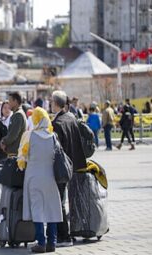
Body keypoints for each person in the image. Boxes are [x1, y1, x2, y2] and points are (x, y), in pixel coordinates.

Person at [17, 107, 63, 253]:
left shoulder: (29, 136)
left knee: (37, 209)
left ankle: (41, 242)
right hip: (50, 177)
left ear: (35, 119)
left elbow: (21, 160)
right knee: (51, 209)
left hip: (34, 178)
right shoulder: (53, 136)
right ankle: (52, 242)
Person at [51, 90, 87, 247]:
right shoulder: (71, 117)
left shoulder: (57, 123)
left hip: (61, 168)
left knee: (58, 201)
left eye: (51, 102)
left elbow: (56, 150)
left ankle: (64, 236)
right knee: (66, 200)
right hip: (74, 165)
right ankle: (70, 232)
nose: (50, 105)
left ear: (56, 103)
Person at [1, 92, 27, 156]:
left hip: (15, 153)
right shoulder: (18, 114)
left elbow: (12, 135)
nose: (8, 103)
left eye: (10, 101)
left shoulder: (18, 115)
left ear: (15, 101)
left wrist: (3, 141)